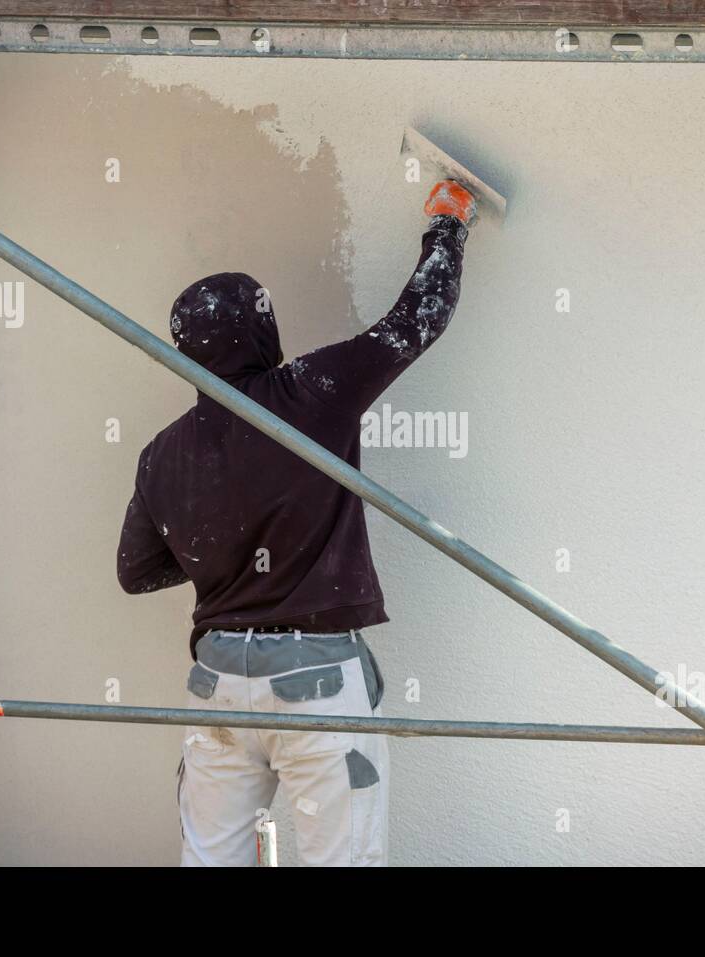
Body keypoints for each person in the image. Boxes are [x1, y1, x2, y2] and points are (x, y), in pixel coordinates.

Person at [116, 180, 476, 866]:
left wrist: (214, 556)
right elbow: (415, 321)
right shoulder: (307, 393)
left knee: (210, 860)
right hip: (318, 682)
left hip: (218, 681)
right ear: (261, 332)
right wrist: (447, 222)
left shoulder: (163, 453)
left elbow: (135, 571)